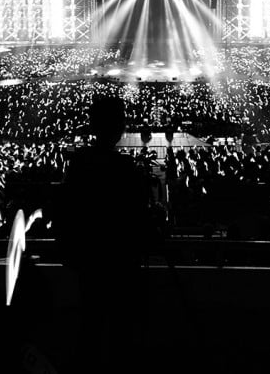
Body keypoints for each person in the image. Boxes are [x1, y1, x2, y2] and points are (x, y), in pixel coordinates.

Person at [56, 93, 152, 373]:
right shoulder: (124, 168)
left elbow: (67, 209)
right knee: (120, 332)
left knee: (90, 325)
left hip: (88, 260)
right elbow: (137, 214)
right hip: (120, 261)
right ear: (119, 126)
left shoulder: (78, 164)